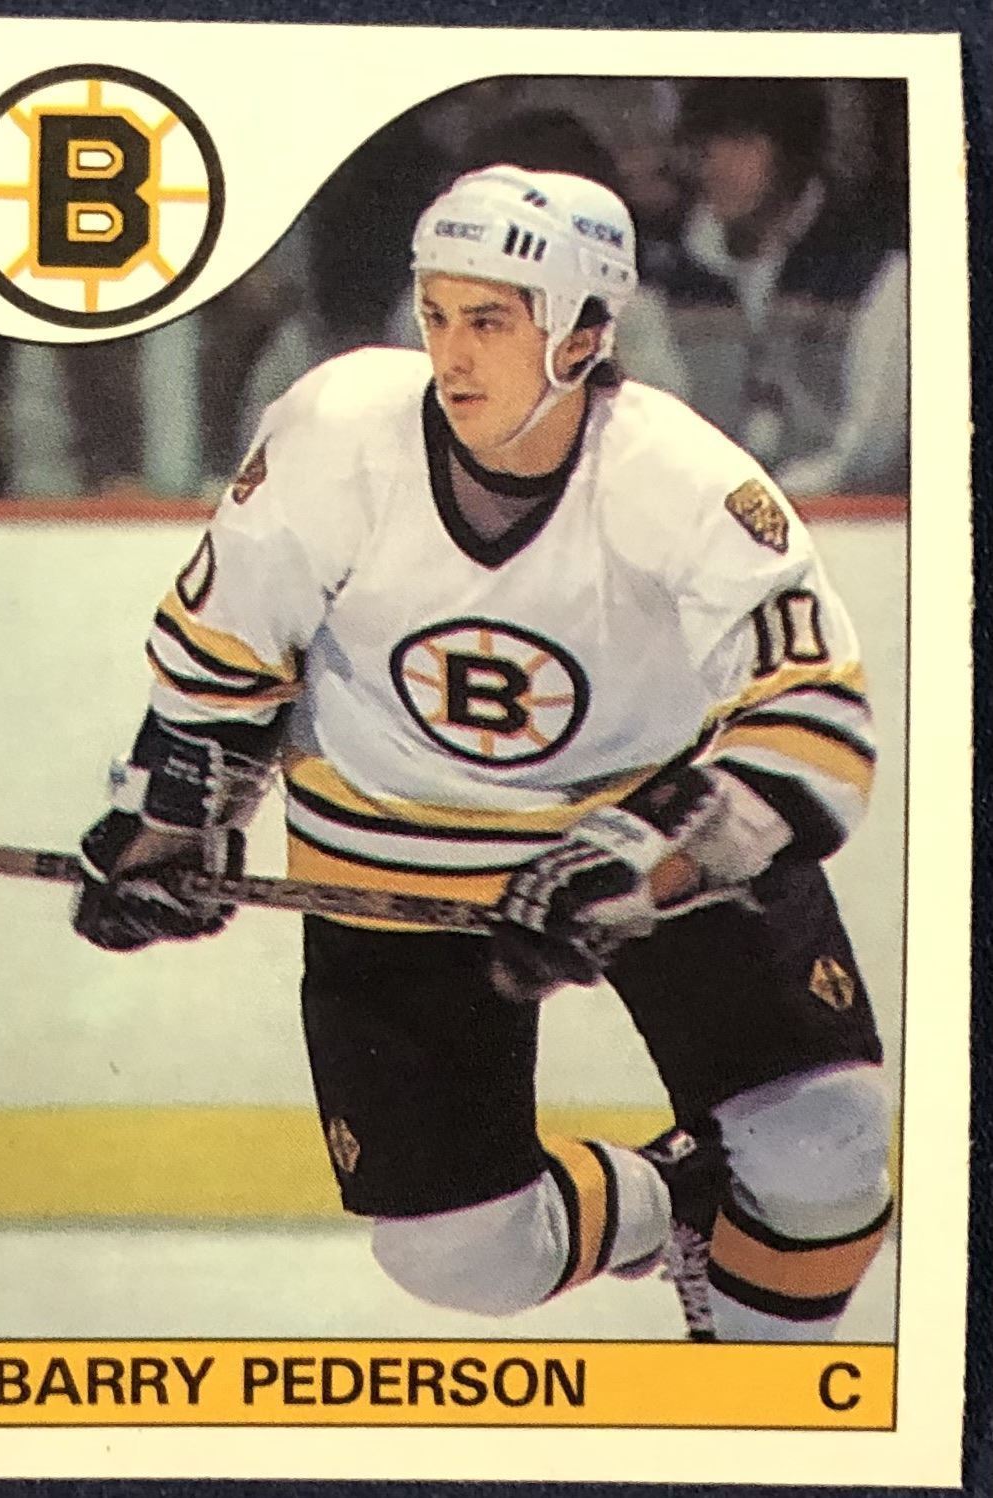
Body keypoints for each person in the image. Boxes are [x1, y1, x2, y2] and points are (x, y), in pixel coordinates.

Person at [73, 165, 893, 1343]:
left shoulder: (682, 479)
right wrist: (169, 830)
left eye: (492, 322)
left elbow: (817, 724)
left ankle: (760, 1411)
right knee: (462, 1257)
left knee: (826, 1149)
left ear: (586, 334)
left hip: (643, 835)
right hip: (389, 857)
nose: (452, 357)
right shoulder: (334, 433)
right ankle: (676, 1203)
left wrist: (644, 859)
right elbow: (223, 664)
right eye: (438, 314)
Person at [654, 79, 907, 493]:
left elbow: (872, 440)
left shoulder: (871, 270)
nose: (717, 165)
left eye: (742, 143)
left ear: (793, 152)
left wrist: (777, 499)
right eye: (706, 147)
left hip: (837, 513)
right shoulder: (676, 279)